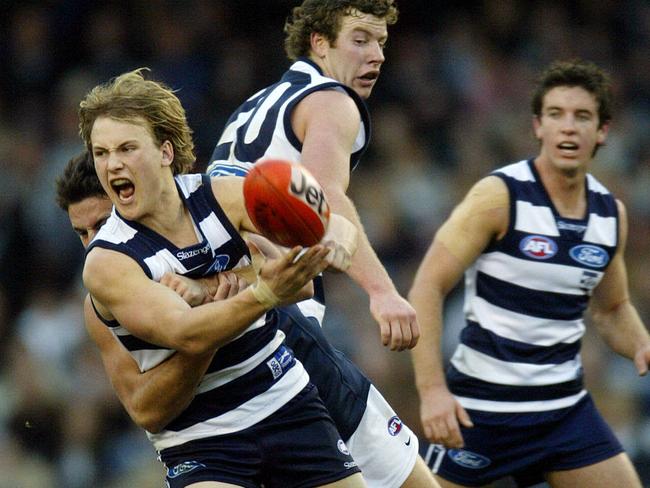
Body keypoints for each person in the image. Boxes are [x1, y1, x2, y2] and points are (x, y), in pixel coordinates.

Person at [78, 68, 366, 488]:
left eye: (126, 148)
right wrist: (263, 289)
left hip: (284, 400)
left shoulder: (222, 194)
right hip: (201, 438)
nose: (113, 164)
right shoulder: (108, 261)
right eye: (101, 153)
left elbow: (305, 268)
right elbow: (189, 333)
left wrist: (334, 234)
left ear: (165, 151)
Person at [207, 2, 438, 487]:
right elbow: (324, 197)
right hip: (276, 320)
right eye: (359, 39)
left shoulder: (258, 104)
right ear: (319, 43)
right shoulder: (332, 100)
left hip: (221, 319)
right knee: (408, 479)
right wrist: (382, 292)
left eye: (381, 43)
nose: (375, 54)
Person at [409, 59, 650, 487]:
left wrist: (642, 345)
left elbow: (612, 310)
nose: (568, 128)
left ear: (603, 131)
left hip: (563, 412)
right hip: (481, 411)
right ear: (538, 127)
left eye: (582, 116)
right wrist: (431, 392)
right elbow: (428, 285)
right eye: (556, 115)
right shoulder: (499, 196)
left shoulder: (610, 214)